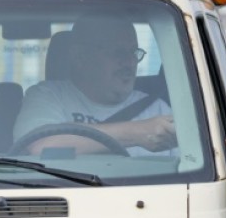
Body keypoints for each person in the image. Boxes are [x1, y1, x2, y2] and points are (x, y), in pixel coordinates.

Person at [13, 13, 175, 156]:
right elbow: (41, 147)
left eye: (133, 52)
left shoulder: (158, 109)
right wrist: (138, 132)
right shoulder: (48, 96)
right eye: (118, 52)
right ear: (80, 57)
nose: (130, 62)